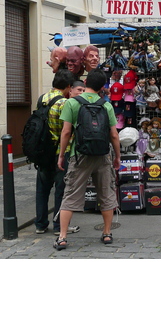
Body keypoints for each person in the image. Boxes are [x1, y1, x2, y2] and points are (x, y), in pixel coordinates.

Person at [55, 69, 121, 250]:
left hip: (80, 154)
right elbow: (114, 135)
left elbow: (66, 131)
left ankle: (62, 237)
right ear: (102, 87)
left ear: (85, 82)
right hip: (102, 155)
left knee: (70, 194)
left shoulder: (72, 103)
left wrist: (62, 155)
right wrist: (117, 156)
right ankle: (107, 233)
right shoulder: (106, 105)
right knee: (106, 193)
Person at [33, 69, 80, 236]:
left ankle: (40, 224)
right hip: (61, 151)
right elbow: (66, 131)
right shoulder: (64, 103)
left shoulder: (42, 99)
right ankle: (59, 225)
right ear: (68, 86)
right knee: (62, 189)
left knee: (42, 189)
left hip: (42, 150)